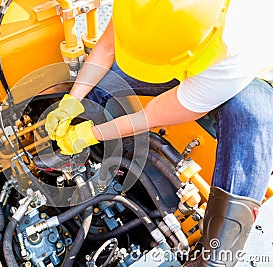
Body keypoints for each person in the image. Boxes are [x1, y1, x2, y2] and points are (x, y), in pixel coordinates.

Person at [44, 0, 273, 266]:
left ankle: (216, 257)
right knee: (105, 85)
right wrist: (72, 100)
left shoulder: (238, 43)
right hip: (179, 55)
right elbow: (107, 47)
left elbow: (150, 116)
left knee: (252, 116)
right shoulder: (144, 8)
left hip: (241, 79)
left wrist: (91, 134)